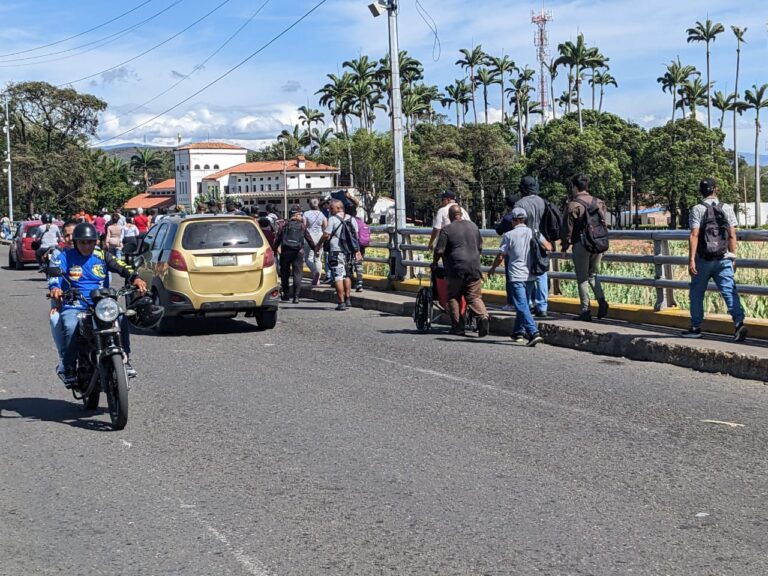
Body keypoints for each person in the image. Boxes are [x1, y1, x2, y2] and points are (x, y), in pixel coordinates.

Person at [48, 223, 147, 386]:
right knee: (71, 325)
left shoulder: (102, 255)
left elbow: (121, 266)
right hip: (75, 305)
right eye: (82, 242)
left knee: (121, 318)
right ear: (75, 242)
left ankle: (125, 359)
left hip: (102, 304)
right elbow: (54, 273)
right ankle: (69, 367)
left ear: (96, 242)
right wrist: (55, 287)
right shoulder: (65, 257)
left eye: (90, 242)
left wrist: (135, 278)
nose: (86, 246)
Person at [683, 178, 747, 341]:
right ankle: (739, 323)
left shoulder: (697, 209)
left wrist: (691, 260)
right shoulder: (726, 208)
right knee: (729, 290)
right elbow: (732, 234)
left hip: (703, 259)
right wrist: (733, 257)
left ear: (701, 192)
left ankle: (696, 327)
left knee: (697, 293)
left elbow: (694, 235)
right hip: (723, 257)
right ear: (715, 190)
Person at [489, 208, 550, 346]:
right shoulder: (534, 232)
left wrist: (492, 268)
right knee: (523, 304)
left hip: (516, 274)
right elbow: (548, 246)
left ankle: (533, 332)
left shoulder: (509, 235)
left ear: (514, 220)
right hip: (531, 274)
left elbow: (501, 255)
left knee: (521, 305)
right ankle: (517, 332)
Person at [431, 204, 490, 337]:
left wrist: (434, 263)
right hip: (474, 267)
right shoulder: (473, 226)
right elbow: (480, 247)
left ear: (449, 216)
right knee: (474, 296)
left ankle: (458, 327)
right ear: (461, 214)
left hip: (455, 268)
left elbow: (439, 250)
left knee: (453, 296)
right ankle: (483, 317)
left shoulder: (447, 229)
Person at [561, 174, 609, 322]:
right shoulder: (599, 202)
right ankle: (601, 301)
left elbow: (567, 229)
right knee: (593, 274)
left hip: (581, 244)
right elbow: (603, 223)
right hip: (598, 244)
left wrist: (565, 245)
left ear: (575, 187)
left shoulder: (573, 204)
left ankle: (585, 310)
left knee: (582, 278)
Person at [315, 199, 361, 311]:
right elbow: (356, 235)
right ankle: (348, 299)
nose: (329, 210)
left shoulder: (333, 219)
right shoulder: (352, 219)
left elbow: (326, 235)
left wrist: (318, 245)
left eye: (331, 208)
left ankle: (341, 302)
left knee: (338, 276)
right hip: (349, 252)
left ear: (339, 208)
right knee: (347, 275)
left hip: (336, 251)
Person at [514, 176, 549, 317]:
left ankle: (528, 304)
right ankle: (542, 306)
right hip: (541, 238)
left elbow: (515, 222)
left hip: (525, 239)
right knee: (541, 272)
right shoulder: (543, 202)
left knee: (526, 272)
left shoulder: (519, 204)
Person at [47, 220, 77, 375]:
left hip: (91, 301)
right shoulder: (58, 254)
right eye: (67, 235)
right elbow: (53, 278)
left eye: (74, 234)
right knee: (55, 319)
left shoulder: (94, 251)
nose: (71, 238)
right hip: (66, 301)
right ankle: (63, 359)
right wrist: (56, 290)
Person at [275, 206, 317, 303]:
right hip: (298, 252)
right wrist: (315, 249)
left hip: (285, 252)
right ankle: (296, 297)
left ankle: (285, 294)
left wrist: (274, 249)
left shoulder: (284, 224)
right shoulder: (302, 226)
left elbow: (278, 238)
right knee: (297, 274)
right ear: (296, 215)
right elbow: (308, 238)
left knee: (285, 274)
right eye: (300, 214)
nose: (301, 216)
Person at [303, 198, 327, 286]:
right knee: (318, 258)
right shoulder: (322, 214)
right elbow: (325, 226)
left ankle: (314, 272)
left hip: (309, 237)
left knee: (308, 258)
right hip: (320, 236)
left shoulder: (306, 213)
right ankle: (317, 280)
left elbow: (304, 226)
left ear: (310, 205)